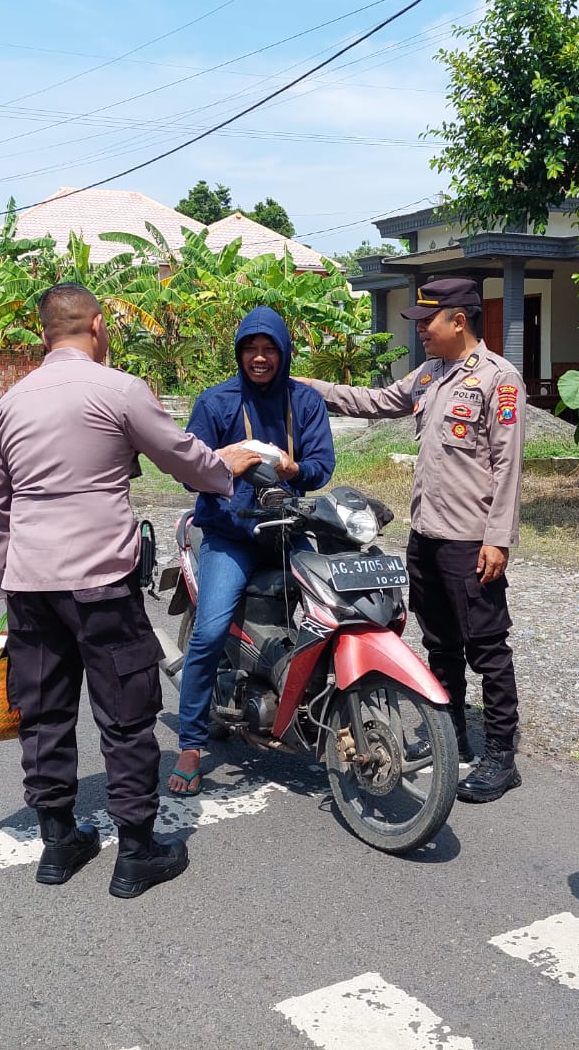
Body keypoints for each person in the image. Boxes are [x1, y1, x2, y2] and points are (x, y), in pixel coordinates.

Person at [0, 283, 261, 899]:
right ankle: (136, 851)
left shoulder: (10, 403)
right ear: (99, 327)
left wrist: (4, 579)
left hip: (29, 584)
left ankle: (58, 841)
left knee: (44, 710)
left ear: (44, 335)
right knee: (126, 714)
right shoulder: (119, 389)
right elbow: (181, 457)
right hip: (101, 579)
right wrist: (226, 467)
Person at [300, 278, 526, 803]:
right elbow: (376, 401)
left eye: (428, 321)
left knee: (488, 648)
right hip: (426, 536)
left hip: (472, 540)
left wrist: (499, 539)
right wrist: (308, 387)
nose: (420, 330)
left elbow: (507, 465)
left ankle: (501, 755)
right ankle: (453, 737)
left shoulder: (499, 380)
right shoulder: (430, 375)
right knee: (440, 644)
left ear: (459, 321)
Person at [169, 306, 336, 796]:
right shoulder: (216, 402)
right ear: (239, 352)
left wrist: (292, 470)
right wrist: (227, 461)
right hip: (230, 534)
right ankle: (192, 745)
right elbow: (186, 468)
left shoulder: (304, 401)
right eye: (251, 349)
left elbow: (323, 464)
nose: (259, 358)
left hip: (288, 530)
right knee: (210, 630)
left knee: (333, 614)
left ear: (284, 353)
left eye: (269, 349)